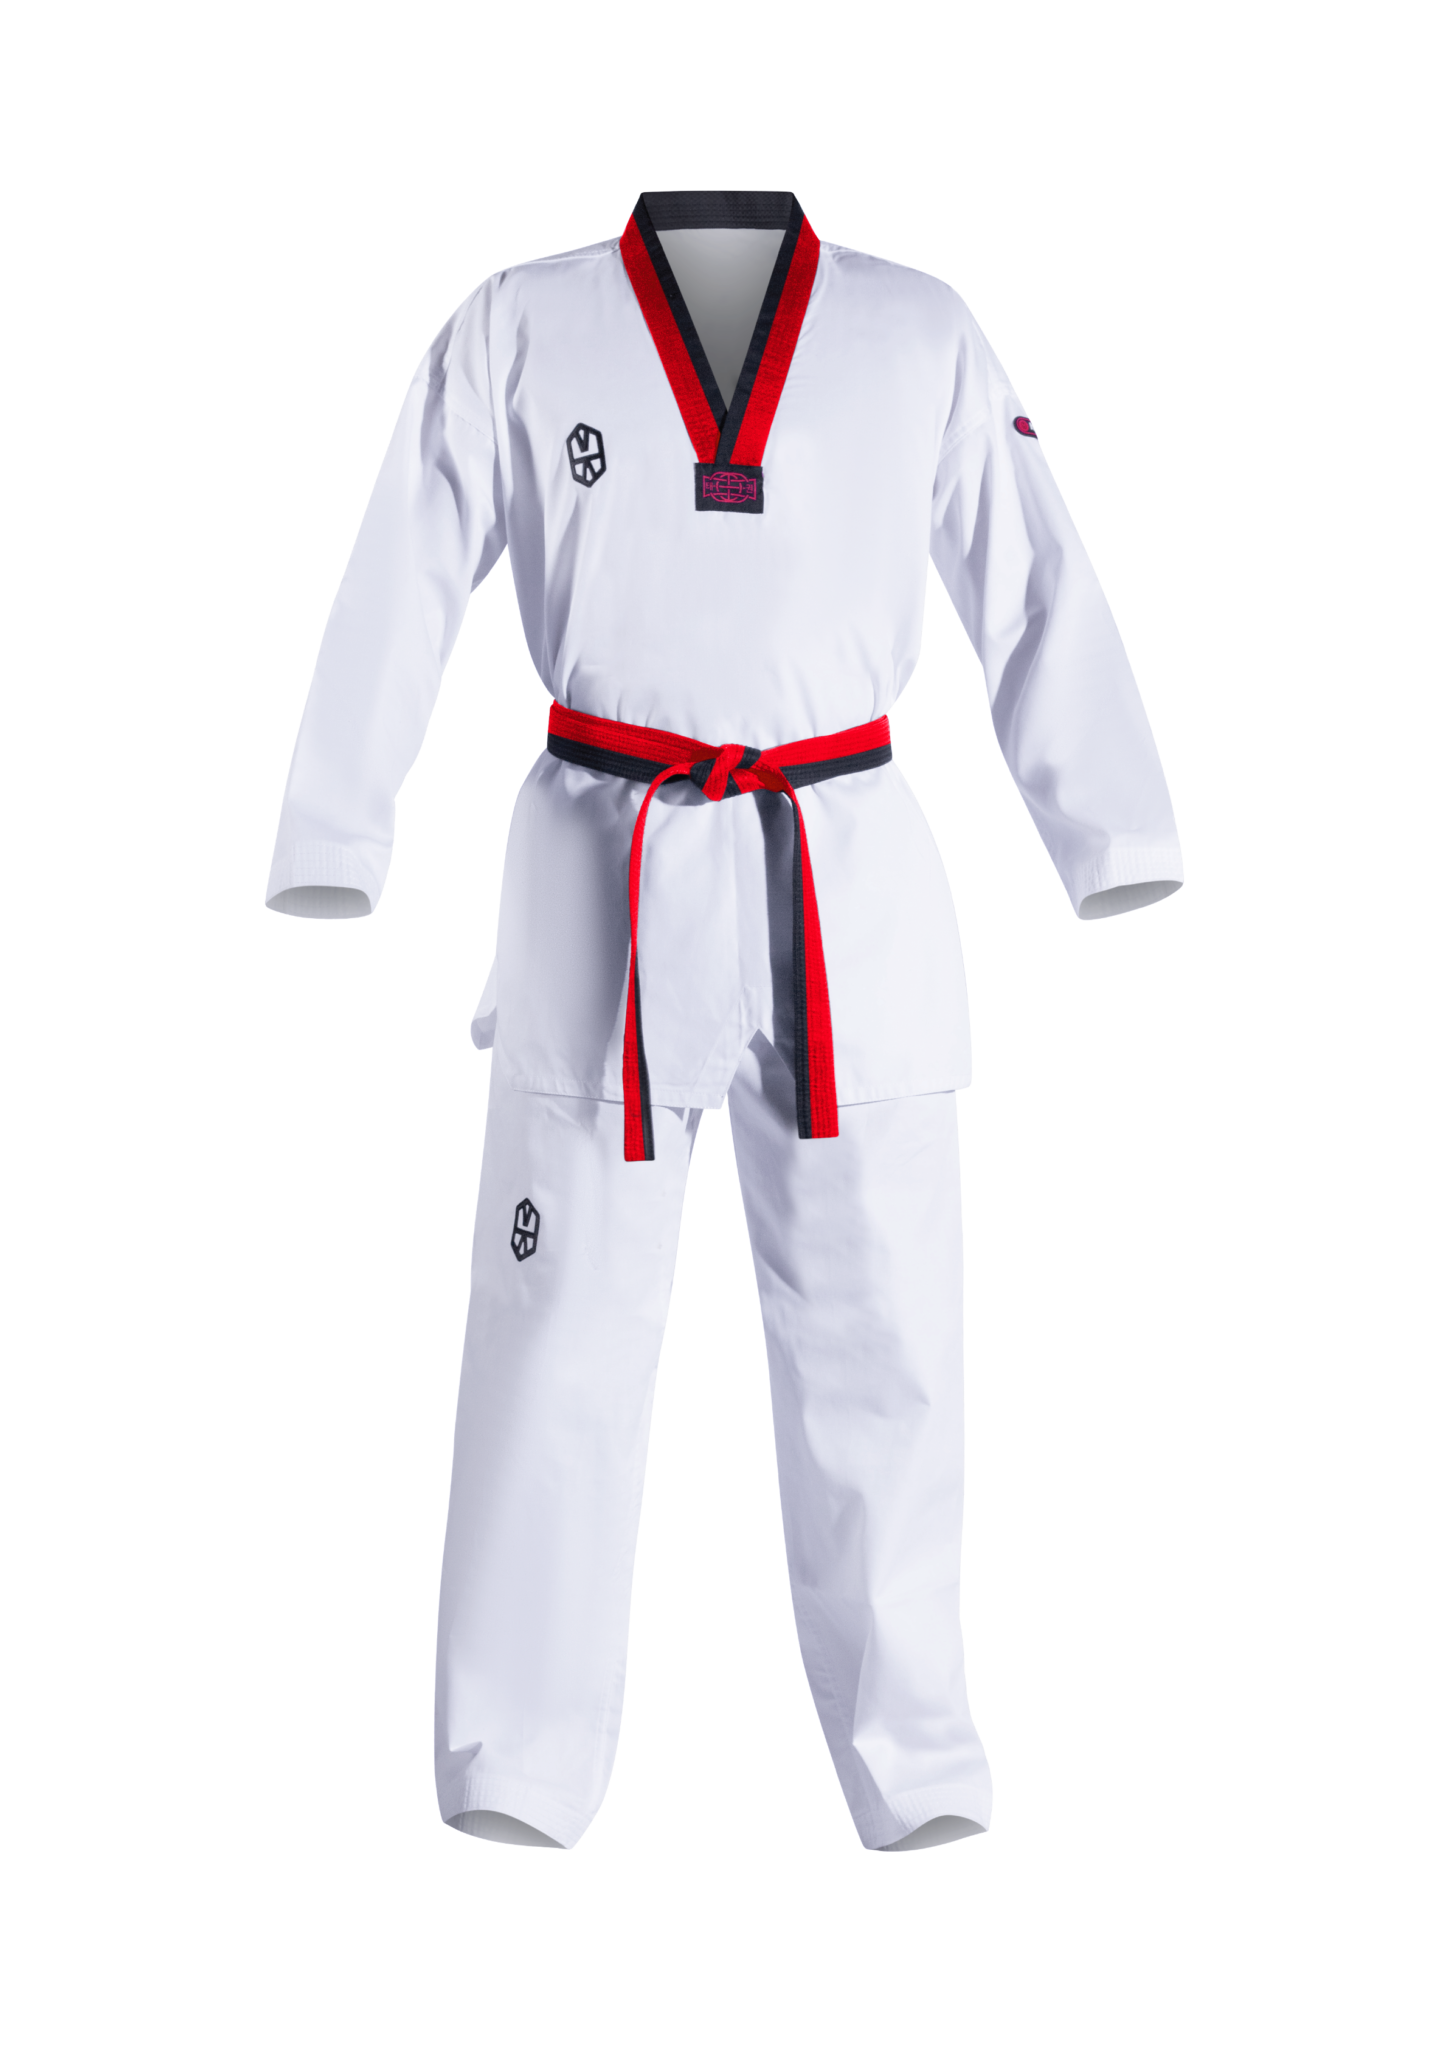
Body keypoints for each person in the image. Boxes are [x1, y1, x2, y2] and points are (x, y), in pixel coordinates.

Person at [265, 190, 1183, 1851]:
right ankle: (513, 1759)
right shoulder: (519, 321)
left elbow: (1030, 572)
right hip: (598, 859)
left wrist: (1111, 828)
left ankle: (913, 1757)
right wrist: (337, 829)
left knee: (889, 1338)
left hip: (845, 863)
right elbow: (406, 558)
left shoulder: (918, 327)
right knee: (552, 1332)